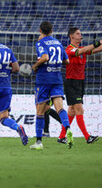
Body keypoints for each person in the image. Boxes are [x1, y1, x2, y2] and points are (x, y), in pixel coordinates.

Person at [58, 27, 102, 144]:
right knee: (79, 109)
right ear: (71, 36)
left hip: (80, 82)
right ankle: (87, 137)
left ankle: (61, 137)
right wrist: (97, 43)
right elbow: (81, 51)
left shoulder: (82, 49)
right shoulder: (69, 50)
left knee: (71, 111)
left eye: (80, 33)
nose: (81, 35)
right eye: (78, 34)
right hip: (71, 83)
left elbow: (99, 49)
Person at [31, 21, 72, 150]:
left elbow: (45, 57)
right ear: (52, 31)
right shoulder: (58, 43)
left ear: (40, 31)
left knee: (40, 110)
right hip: (57, 78)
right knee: (60, 107)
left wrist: (35, 65)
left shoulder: (40, 43)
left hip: (44, 79)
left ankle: (38, 142)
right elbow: (67, 61)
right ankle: (67, 128)